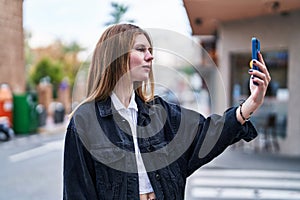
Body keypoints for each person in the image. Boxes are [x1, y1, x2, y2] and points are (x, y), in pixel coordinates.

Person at [63, 23, 271, 200]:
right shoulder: (85, 121)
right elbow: (76, 192)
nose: (150, 56)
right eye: (141, 49)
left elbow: (207, 133)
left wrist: (252, 103)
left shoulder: (159, 113)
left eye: (150, 50)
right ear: (116, 56)